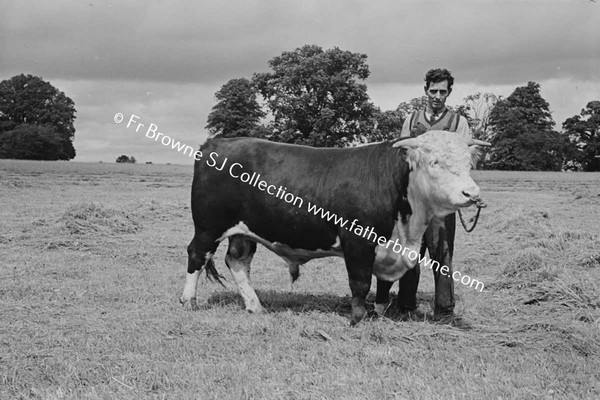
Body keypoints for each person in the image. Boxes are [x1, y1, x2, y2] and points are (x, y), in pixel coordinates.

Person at [397, 68, 472, 316]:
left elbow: (463, 162)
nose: (437, 96)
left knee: (442, 252)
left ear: (449, 92)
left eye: (442, 91)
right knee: (410, 253)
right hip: (415, 200)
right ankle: (405, 305)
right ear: (425, 90)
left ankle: (444, 307)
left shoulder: (458, 123)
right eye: (433, 90)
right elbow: (403, 158)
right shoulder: (412, 119)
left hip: (441, 203)